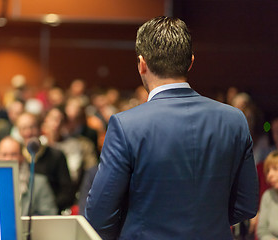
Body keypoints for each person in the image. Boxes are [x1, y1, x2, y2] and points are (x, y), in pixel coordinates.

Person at [85, 16, 259, 240]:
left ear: (142, 64)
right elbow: (246, 206)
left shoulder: (126, 125)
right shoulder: (234, 120)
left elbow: (99, 216)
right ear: (191, 62)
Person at [0, 136, 58, 216]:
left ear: (22, 157)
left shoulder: (39, 183)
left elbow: (50, 216)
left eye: (13, 154)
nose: (8, 159)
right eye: (4, 155)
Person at [256, 151, 278, 240]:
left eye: (275, 169)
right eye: (268, 171)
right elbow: (262, 230)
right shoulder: (268, 196)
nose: (269, 175)